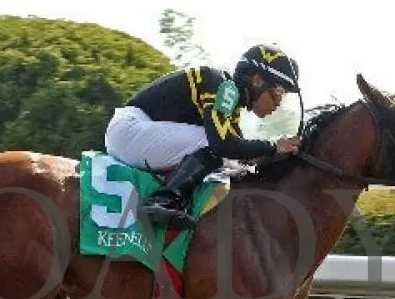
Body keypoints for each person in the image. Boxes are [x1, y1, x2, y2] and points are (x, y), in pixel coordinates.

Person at [104, 43, 302, 229]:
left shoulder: (230, 101)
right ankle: (163, 199)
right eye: (277, 92)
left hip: (135, 133)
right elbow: (224, 146)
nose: (278, 104)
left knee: (229, 157)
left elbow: (240, 153)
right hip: (128, 129)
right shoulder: (222, 87)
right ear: (257, 80)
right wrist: (274, 146)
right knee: (215, 143)